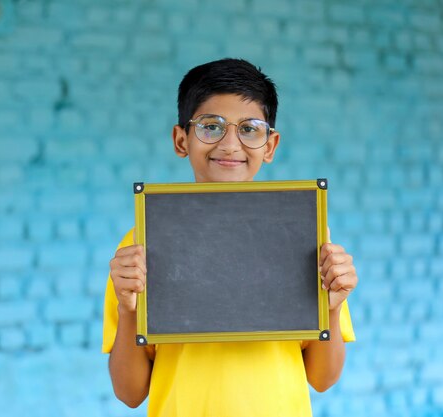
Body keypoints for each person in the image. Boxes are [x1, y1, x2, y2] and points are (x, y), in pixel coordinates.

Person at [102, 58, 358, 416]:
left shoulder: (303, 234)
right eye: (211, 127)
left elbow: (323, 378)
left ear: (270, 145)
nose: (230, 145)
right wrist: (127, 311)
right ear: (181, 140)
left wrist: (332, 306)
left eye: (250, 129)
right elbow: (129, 393)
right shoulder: (141, 242)